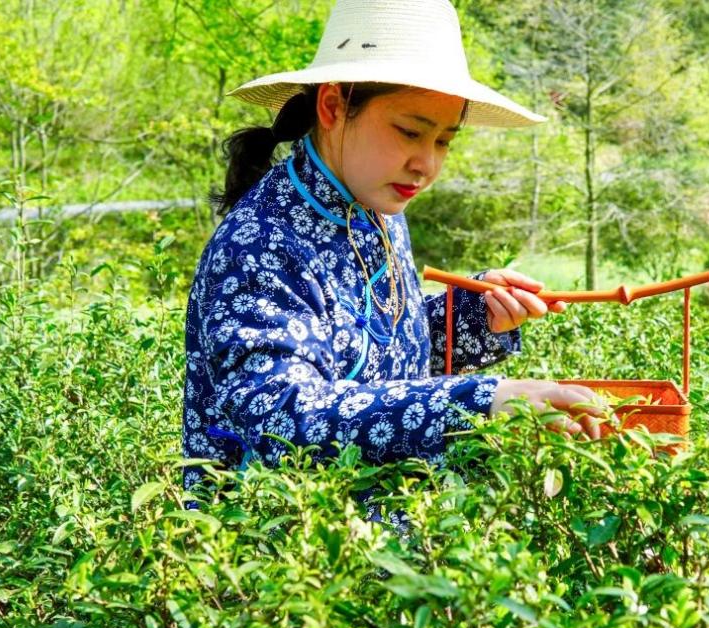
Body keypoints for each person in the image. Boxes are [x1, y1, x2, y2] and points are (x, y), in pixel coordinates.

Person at [181, 0, 604, 500]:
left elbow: (375, 352)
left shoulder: (377, 207)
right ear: (334, 107)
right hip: (284, 556)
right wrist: (482, 401)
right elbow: (286, 420)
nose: (426, 164)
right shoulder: (258, 245)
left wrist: (477, 315)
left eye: (445, 141)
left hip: (395, 539)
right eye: (410, 132)